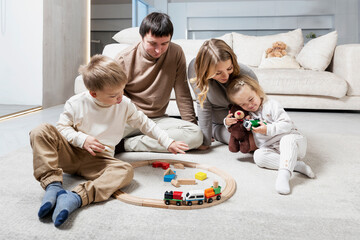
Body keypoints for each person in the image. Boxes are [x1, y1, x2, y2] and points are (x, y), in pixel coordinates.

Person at [30, 55, 189, 227]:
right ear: (93, 93)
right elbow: (62, 128)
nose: (120, 97)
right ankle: (53, 186)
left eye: (122, 91)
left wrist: (168, 142)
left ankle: (76, 197)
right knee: (40, 131)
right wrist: (82, 139)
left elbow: (145, 123)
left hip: (99, 160)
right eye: (114, 95)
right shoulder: (76, 103)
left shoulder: (124, 104)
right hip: (70, 153)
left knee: (125, 170)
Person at [115, 12, 202, 153]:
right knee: (96, 138)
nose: (158, 50)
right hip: (130, 119)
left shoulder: (176, 53)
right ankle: (140, 138)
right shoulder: (123, 59)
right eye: (152, 43)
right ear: (142, 37)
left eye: (164, 44)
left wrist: (192, 127)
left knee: (196, 135)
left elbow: (183, 94)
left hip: (158, 120)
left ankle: (126, 144)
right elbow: (115, 100)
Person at [226, 74, 315, 194]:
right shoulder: (246, 114)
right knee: (258, 156)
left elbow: (287, 124)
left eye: (251, 99)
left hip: (293, 142)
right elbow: (235, 124)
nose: (249, 105)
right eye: (243, 104)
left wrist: (267, 129)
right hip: (273, 149)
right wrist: (227, 122)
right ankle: (296, 165)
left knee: (286, 141)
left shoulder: (271, 105)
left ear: (257, 91)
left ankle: (284, 175)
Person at [189, 38, 257, 150]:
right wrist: (205, 141)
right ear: (205, 71)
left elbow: (259, 103)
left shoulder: (247, 74)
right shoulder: (195, 69)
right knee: (249, 144)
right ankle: (214, 132)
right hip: (219, 124)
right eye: (218, 73)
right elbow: (203, 106)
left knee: (262, 139)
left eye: (229, 68)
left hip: (243, 122)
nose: (225, 76)